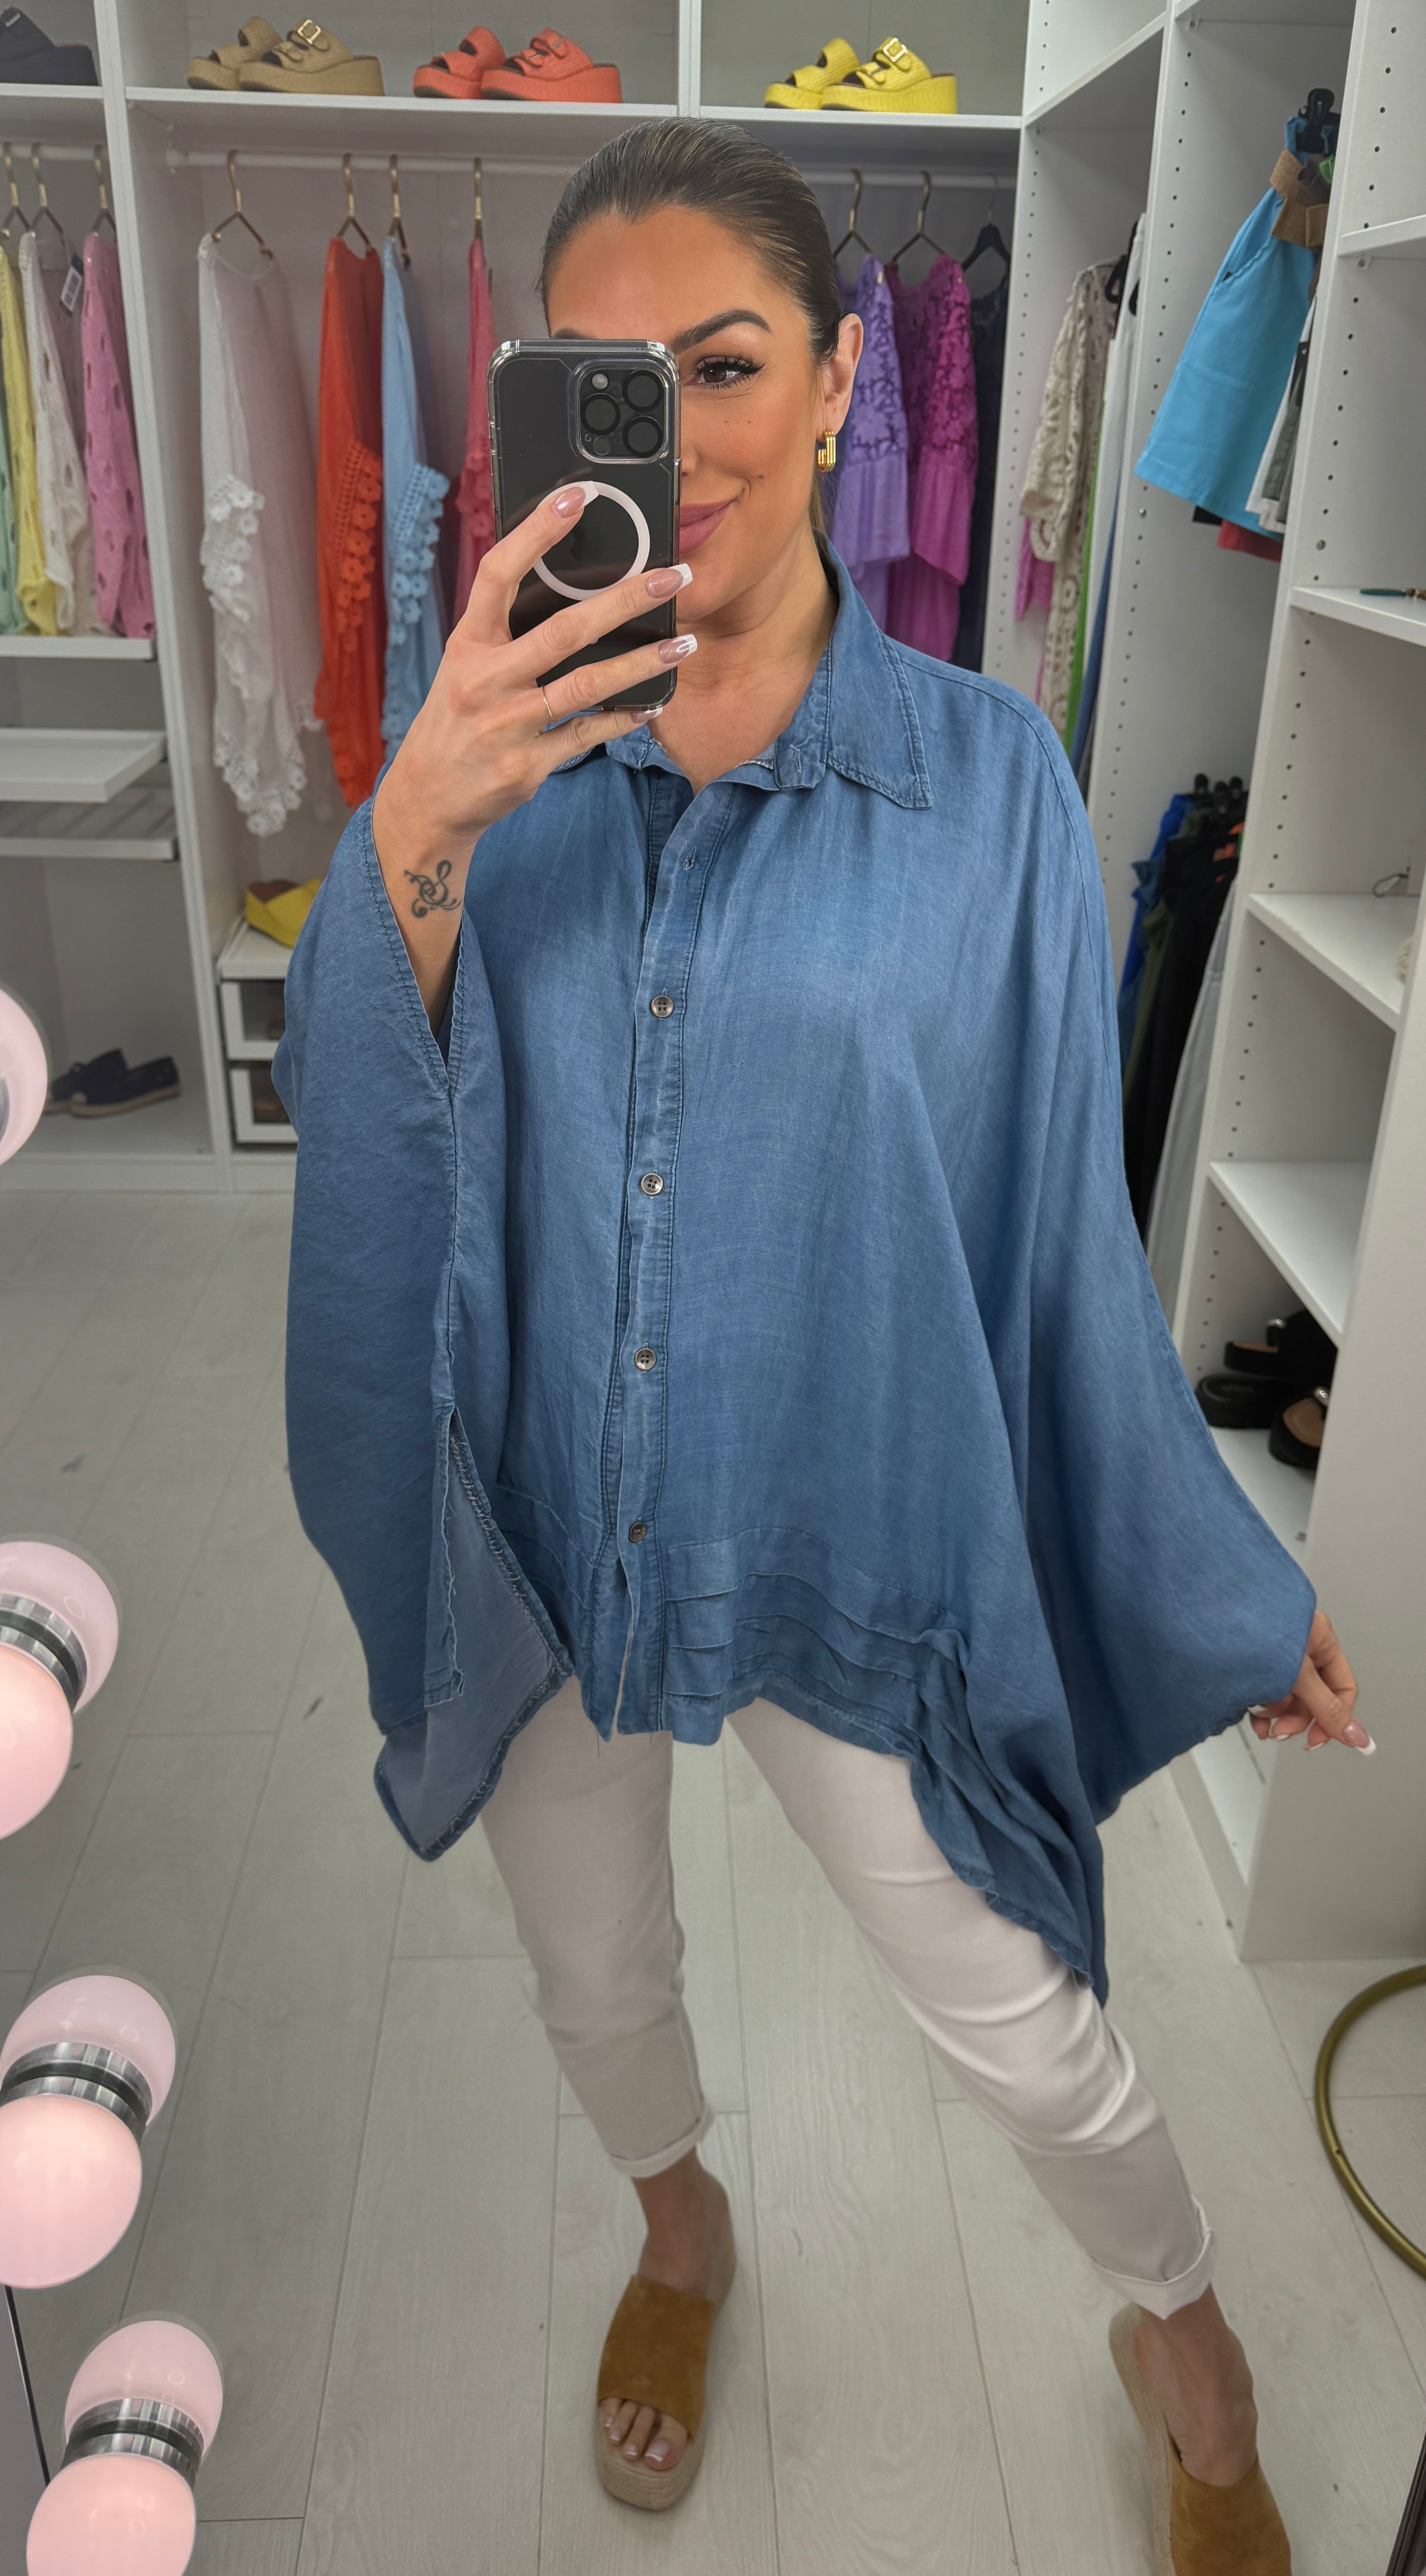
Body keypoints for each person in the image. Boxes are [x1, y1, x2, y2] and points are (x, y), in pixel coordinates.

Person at [274, 121, 1367, 2570]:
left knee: (1020, 2021)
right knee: (594, 1977)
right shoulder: (484, 757)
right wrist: (426, 813)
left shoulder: (989, 787)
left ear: (851, 378)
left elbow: (1049, 1238)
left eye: (728, 364)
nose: (675, 431)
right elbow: (374, 1148)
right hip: (544, 1517)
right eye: (606, 378)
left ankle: (1190, 2354)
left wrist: (1211, 1576)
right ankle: (684, 2237)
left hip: (839, 1508)